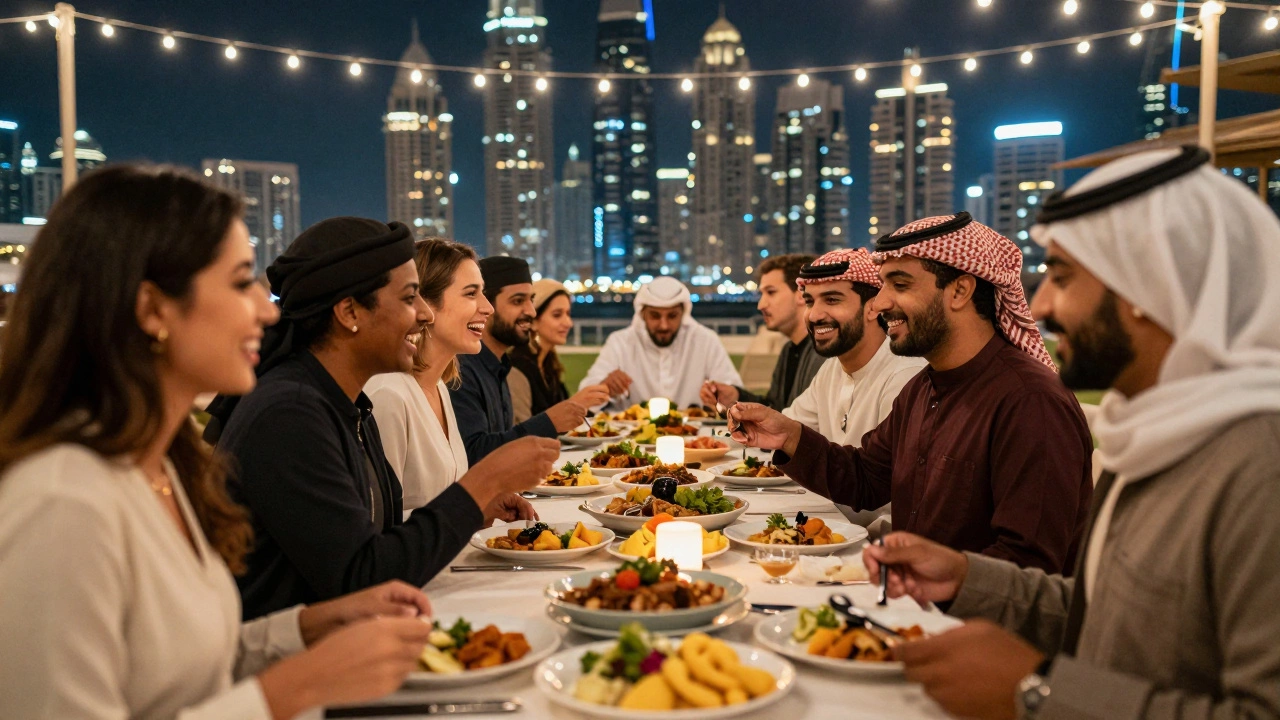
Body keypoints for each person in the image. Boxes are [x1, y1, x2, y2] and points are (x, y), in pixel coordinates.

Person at [0, 165, 441, 719]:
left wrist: (304, 630)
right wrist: (292, 690)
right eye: (239, 283)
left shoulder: (163, 468)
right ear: (153, 309)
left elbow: (180, 669)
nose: (267, 309)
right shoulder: (64, 506)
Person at [862, 146, 1280, 720]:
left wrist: (1037, 693)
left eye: (1062, 277)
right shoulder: (1159, 438)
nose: (1042, 304)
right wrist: (963, 577)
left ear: (1146, 286)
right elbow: (1099, 613)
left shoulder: (1259, 467)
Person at [207, 219, 558, 620]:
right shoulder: (290, 413)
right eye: (410, 298)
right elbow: (364, 577)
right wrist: (481, 484)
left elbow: (382, 533)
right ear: (349, 311)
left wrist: (475, 509)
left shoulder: (347, 402)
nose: (424, 314)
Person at [728, 211, 1093, 573]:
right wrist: (789, 435)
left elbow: (1029, 566)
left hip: (967, 621)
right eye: (883, 286)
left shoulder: (1030, 402)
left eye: (900, 285)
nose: (882, 303)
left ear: (960, 290)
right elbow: (867, 478)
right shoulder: (924, 387)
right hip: (908, 602)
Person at [365, 239, 524, 520]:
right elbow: (378, 522)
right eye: (471, 294)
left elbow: (442, 500)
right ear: (424, 303)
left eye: (483, 293)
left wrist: (481, 505)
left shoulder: (439, 386)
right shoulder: (388, 395)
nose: (487, 308)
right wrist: (468, 512)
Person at [778, 248, 926, 525]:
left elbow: (895, 500)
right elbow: (790, 428)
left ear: (873, 307)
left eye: (832, 300)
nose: (813, 315)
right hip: (831, 526)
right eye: (810, 302)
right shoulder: (833, 368)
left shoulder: (905, 376)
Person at [453, 257, 607, 464]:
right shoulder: (460, 371)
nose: (531, 312)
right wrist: (549, 422)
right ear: (485, 306)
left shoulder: (499, 366)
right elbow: (472, 453)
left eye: (531, 301)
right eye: (518, 301)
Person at [582, 275, 742, 409]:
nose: (664, 325)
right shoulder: (621, 342)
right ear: (642, 314)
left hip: (694, 441)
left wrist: (720, 395)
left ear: (683, 314)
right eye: (655, 316)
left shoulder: (706, 341)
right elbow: (584, 398)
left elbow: (734, 395)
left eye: (672, 316)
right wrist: (605, 387)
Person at [700, 254, 821, 411]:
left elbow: (803, 424)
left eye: (770, 292)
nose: (761, 305)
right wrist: (735, 396)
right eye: (761, 294)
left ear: (801, 294)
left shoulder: (822, 353)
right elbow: (775, 409)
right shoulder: (789, 350)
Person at [509, 278, 609, 423]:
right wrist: (574, 404)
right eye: (557, 315)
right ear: (534, 322)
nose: (568, 323)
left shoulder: (549, 365)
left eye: (568, 314)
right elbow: (522, 435)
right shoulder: (517, 369)